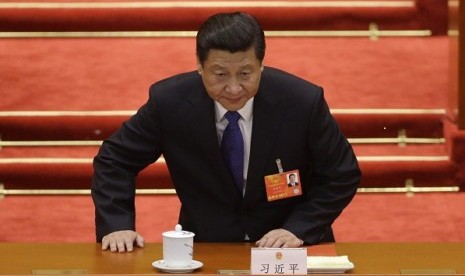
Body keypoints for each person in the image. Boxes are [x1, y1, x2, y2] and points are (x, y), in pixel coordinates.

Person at [91, 11, 361, 253]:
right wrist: (116, 224)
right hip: (208, 246)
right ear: (200, 65)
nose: (233, 89)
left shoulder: (302, 102)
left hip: (292, 246)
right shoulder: (169, 103)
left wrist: (299, 228)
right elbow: (114, 159)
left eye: (246, 74)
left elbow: (341, 173)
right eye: (220, 75)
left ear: (261, 65)